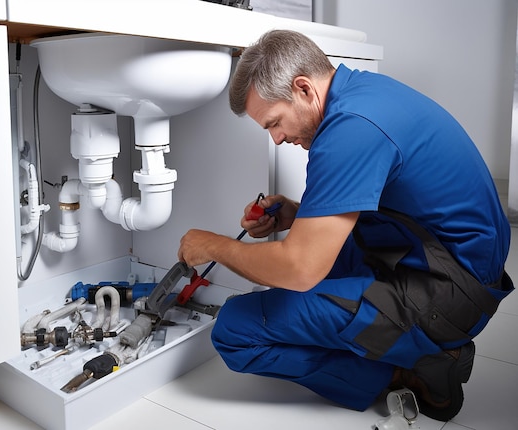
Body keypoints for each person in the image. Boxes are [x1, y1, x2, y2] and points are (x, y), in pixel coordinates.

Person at [177, 29, 514, 421]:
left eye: (274, 123)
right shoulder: (362, 94)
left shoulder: (349, 130)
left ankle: (414, 365)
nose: (277, 138)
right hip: (445, 260)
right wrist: (295, 214)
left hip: (450, 293)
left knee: (235, 331)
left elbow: (300, 269)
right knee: (295, 272)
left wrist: (213, 246)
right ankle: (396, 345)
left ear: (303, 89)